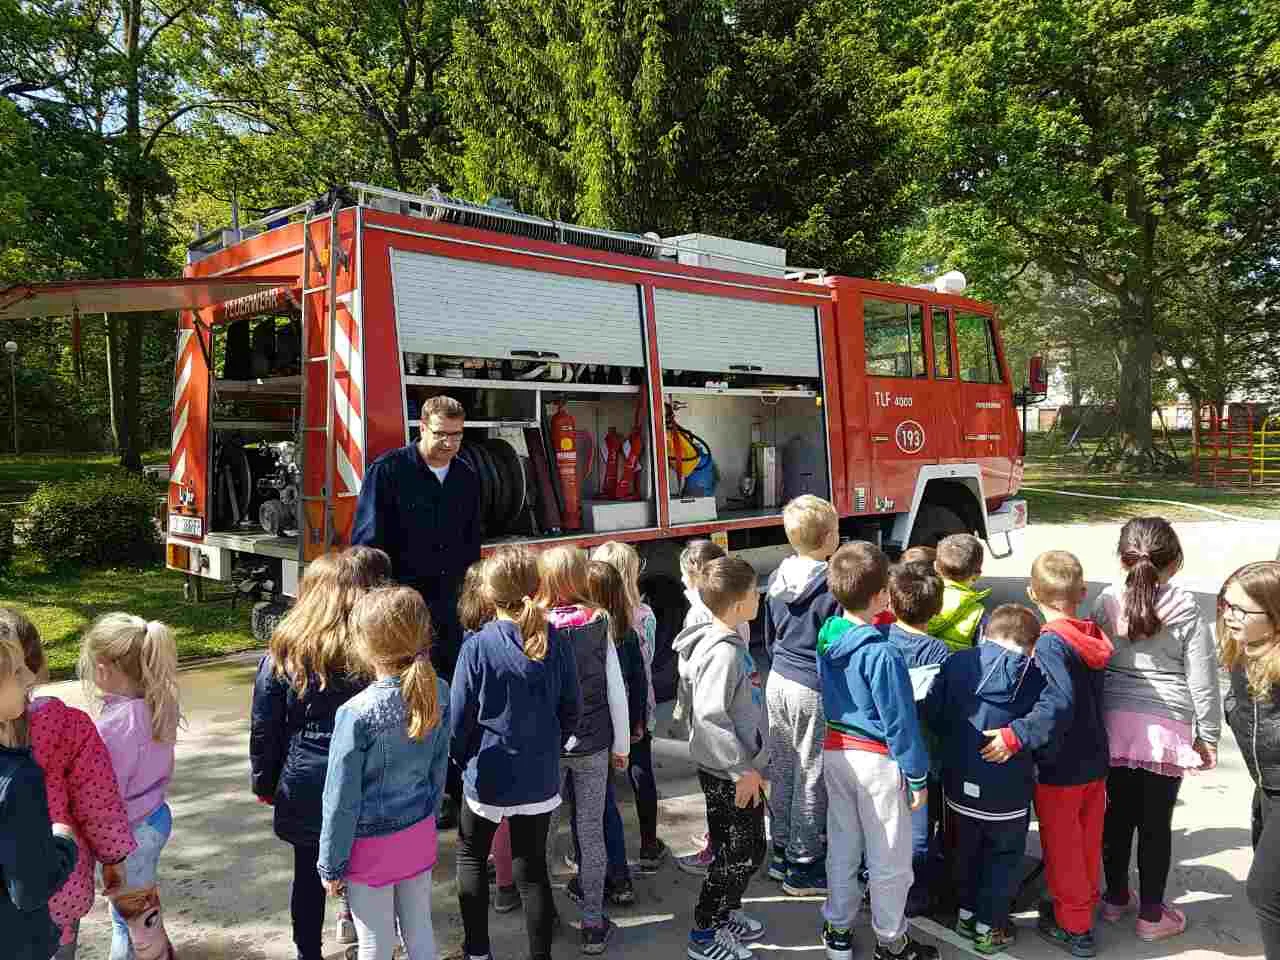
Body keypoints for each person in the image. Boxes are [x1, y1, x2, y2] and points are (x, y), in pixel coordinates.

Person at [250, 547, 390, 960]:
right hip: (365, 777)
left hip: (307, 781)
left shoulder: (284, 652)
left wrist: (265, 780)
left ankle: (307, 951)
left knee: (307, 876)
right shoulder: (370, 650)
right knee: (365, 867)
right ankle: (363, 934)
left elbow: (266, 727)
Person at [352, 393, 481, 828]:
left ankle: (449, 788)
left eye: (457, 437)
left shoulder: (466, 475)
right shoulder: (388, 472)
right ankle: (402, 788)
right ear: (421, 428)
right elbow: (367, 546)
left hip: (450, 609)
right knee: (405, 701)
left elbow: (471, 543)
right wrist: (379, 607)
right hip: (404, 613)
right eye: (441, 435)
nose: (449, 444)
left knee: (449, 698)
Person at [1093, 518, 1220, 941]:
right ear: (1176, 561)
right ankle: (1151, 915)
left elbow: (1095, 662)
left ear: (1122, 557)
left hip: (1112, 725)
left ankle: (1113, 899)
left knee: (1115, 817)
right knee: (1154, 824)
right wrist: (1208, 736)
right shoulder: (1187, 609)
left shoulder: (1107, 601)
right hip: (1165, 733)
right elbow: (1203, 679)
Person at [981, 551, 1112, 958]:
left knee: (1063, 849)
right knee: (1088, 843)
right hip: (1094, 758)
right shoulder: (1088, 632)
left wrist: (1015, 735)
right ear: (1083, 592)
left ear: (1031, 592)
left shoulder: (1052, 643)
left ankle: (1074, 927)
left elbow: (1058, 703)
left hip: (1062, 766)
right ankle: (1083, 905)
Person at [451, 546, 580, 960]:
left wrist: (462, 759)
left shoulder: (476, 646)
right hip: (539, 774)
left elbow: (459, 718)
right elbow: (572, 708)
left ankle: (477, 952)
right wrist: (553, 746)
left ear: (489, 595)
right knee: (533, 870)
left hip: (487, 773)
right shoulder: (555, 640)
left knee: (471, 856)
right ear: (537, 587)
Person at [817, 541, 936, 960]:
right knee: (889, 857)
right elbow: (900, 723)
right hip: (876, 762)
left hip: (836, 752)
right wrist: (917, 775)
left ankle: (837, 929)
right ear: (880, 595)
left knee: (844, 848)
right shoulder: (883, 655)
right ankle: (891, 939)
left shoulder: (829, 635)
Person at [318, 587, 451, 960]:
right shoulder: (438, 690)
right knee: (420, 931)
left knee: (374, 942)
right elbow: (438, 769)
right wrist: (428, 817)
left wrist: (331, 862)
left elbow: (341, 799)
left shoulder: (355, 713)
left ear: (364, 646)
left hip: (369, 846)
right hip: (418, 833)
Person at [11, 608, 135, 960]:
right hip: (57, 885)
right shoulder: (68, 725)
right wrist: (114, 858)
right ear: (37, 666)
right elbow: (98, 803)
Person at [925, 604, 1045, 955]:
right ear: (1031, 643)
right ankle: (989, 926)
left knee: (965, 853)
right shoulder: (1034, 676)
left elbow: (934, 711)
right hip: (1007, 792)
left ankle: (964, 914)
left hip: (959, 782)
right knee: (1003, 860)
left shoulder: (960, 662)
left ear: (987, 633)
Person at [674, 557, 770, 960]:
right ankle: (703, 933)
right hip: (729, 774)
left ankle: (726, 912)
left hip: (738, 771)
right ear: (735, 604)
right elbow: (710, 717)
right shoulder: (723, 653)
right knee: (735, 855)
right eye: (753, 594)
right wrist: (741, 769)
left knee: (751, 851)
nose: (758, 598)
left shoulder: (729, 639)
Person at [537, 546, 629, 952]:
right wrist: (622, 744)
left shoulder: (534, 625)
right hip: (593, 743)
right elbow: (615, 688)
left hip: (549, 746)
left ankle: (543, 914)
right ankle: (593, 922)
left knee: (543, 833)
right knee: (591, 833)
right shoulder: (599, 621)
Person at [79, 614, 182, 960]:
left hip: (127, 834)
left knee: (128, 921)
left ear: (104, 668)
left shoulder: (115, 725)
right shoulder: (154, 705)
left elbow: (107, 795)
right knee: (142, 908)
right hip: (154, 818)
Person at [763, 495, 842, 896]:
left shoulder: (778, 577)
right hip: (811, 684)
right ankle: (805, 865)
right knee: (812, 773)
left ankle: (780, 850)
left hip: (779, 678)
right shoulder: (831, 586)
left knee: (783, 766)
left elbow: (768, 635)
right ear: (829, 538)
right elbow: (834, 645)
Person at [0, 624, 81, 960]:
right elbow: (30, 890)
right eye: (17, 672)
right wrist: (63, 843)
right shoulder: (19, 777)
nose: (28, 680)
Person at [883, 562, 953, 917]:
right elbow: (939, 709)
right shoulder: (939, 653)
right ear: (937, 607)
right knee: (920, 829)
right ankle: (915, 893)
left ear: (891, 603)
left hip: (885, 752)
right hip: (924, 755)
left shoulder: (882, 641)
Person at [593, 541, 667, 872]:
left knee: (602, 784)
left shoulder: (593, 620)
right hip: (640, 705)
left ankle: (608, 854)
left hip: (602, 711)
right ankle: (650, 844)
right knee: (642, 771)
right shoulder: (645, 615)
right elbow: (648, 661)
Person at [1219, 560, 1280, 958]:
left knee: (1264, 891)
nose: (1229, 615)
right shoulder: (1242, 652)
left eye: (1242, 610)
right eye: (1227, 604)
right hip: (1266, 789)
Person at [579, 559, 646, 899]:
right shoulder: (627, 634)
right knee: (606, 807)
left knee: (590, 810)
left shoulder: (584, 636)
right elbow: (639, 685)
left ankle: (602, 877)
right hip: (614, 733)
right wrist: (636, 724)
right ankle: (618, 877)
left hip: (591, 735)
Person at [672, 538, 736, 877]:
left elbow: (687, 666)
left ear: (697, 575)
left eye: (684, 574)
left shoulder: (698, 609)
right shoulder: (732, 601)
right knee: (726, 776)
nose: (681, 581)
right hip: (730, 701)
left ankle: (717, 846)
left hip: (706, 704)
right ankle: (723, 835)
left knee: (714, 779)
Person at [458, 561, 519, 916]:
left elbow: (462, 708)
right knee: (508, 825)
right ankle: (507, 886)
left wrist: (460, 753)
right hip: (509, 745)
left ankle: (504, 881)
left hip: (484, 751)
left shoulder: (471, 640)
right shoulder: (515, 636)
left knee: (488, 830)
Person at [926, 534, 992, 651]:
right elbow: (983, 653)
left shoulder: (920, 597)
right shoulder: (979, 614)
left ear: (935, 566)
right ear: (977, 575)